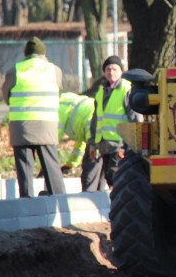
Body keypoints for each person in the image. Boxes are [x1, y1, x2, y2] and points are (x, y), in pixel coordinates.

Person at [2, 36, 66, 198]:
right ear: (43, 53)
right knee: (51, 165)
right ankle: (59, 199)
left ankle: (27, 202)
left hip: (21, 126)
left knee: (24, 167)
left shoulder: (16, 70)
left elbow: (6, 94)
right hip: (47, 126)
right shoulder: (55, 70)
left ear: (26, 53)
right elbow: (59, 88)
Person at [82, 55, 142, 191]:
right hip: (104, 145)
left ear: (121, 71)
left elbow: (135, 118)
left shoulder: (126, 90)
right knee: (110, 178)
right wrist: (92, 144)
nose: (111, 72)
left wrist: (135, 143)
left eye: (115, 69)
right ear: (104, 72)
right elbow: (96, 120)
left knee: (117, 178)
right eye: (108, 69)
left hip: (120, 145)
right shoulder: (101, 92)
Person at [58, 91, 95, 173]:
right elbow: (80, 143)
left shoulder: (59, 106)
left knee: (91, 166)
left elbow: (53, 139)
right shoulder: (70, 104)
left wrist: (46, 164)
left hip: (93, 124)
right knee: (100, 165)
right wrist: (71, 164)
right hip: (99, 124)